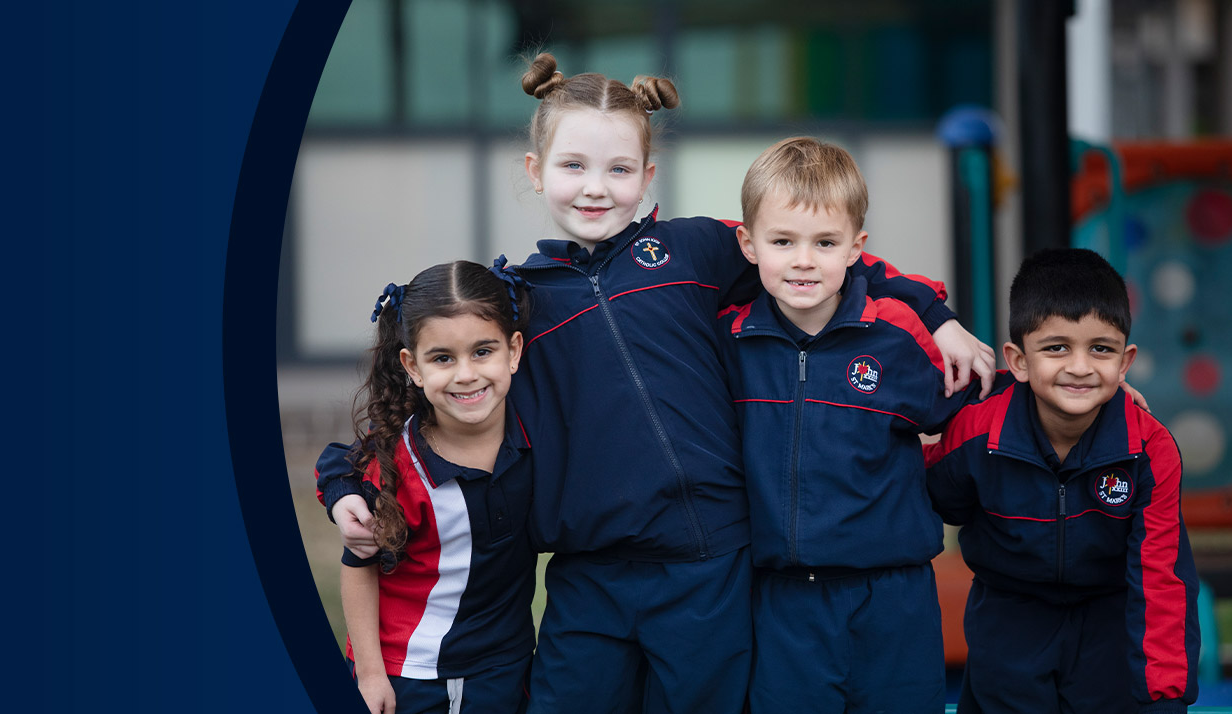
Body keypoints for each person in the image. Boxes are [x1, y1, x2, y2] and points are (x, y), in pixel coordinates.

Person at [319, 54, 996, 714]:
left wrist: (936, 318)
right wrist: (344, 482)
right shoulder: (521, 299)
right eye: (573, 166)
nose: (595, 188)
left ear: (646, 175)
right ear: (535, 170)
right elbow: (429, 390)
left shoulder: (695, 249)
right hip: (588, 569)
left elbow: (817, 244)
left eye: (618, 169)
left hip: (709, 564)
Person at [717, 137, 971, 713]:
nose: (804, 260)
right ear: (749, 245)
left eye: (825, 243)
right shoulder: (728, 339)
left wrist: (1093, 396)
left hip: (894, 596)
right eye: (783, 241)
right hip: (783, 601)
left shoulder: (899, 336)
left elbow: (976, 406)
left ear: (857, 247)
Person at [925, 248, 1199, 714]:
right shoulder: (977, 432)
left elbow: (1162, 579)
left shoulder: (1149, 448)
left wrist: (1164, 695)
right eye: (1056, 348)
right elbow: (924, 492)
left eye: (1101, 349)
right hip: (1008, 618)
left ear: (1125, 362)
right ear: (1018, 360)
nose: (1080, 367)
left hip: (1108, 620)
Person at [336, 260, 538, 714]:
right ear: (413, 366)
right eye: (443, 358)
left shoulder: (535, 437)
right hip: (408, 675)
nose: (466, 374)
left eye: (482, 351)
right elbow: (359, 565)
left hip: (506, 671)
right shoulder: (398, 465)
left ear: (513, 351)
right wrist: (370, 674)